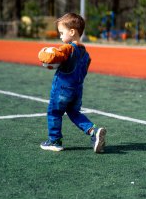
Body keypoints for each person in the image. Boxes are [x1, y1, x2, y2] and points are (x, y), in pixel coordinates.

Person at [38, 13, 106, 153]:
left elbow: (52, 56)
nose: (61, 37)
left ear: (72, 32)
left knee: (54, 112)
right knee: (74, 112)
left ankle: (54, 141)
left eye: (62, 33)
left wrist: (43, 53)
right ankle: (94, 131)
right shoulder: (85, 54)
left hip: (62, 88)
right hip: (77, 90)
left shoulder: (67, 48)